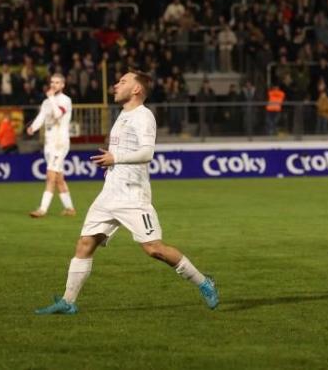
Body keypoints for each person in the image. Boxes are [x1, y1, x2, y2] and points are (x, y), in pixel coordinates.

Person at [35, 70, 219, 315]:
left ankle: (204, 282)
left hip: (132, 195)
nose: (115, 85)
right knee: (85, 243)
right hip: (109, 193)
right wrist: (111, 164)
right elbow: (123, 153)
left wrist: (115, 157)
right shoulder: (123, 115)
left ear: (136, 89)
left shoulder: (143, 116)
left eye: (122, 81)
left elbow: (147, 153)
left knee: (154, 249)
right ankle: (68, 302)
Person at [26, 73, 75, 217]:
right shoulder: (47, 102)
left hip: (60, 143)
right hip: (49, 143)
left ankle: (42, 209)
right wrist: (33, 128)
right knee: (59, 178)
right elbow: (42, 117)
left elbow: (58, 114)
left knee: (50, 176)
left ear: (63, 85)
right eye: (52, 82)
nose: (54, 85)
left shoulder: (66, 100)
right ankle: (70, 209)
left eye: (57, 82)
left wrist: (52, 98)